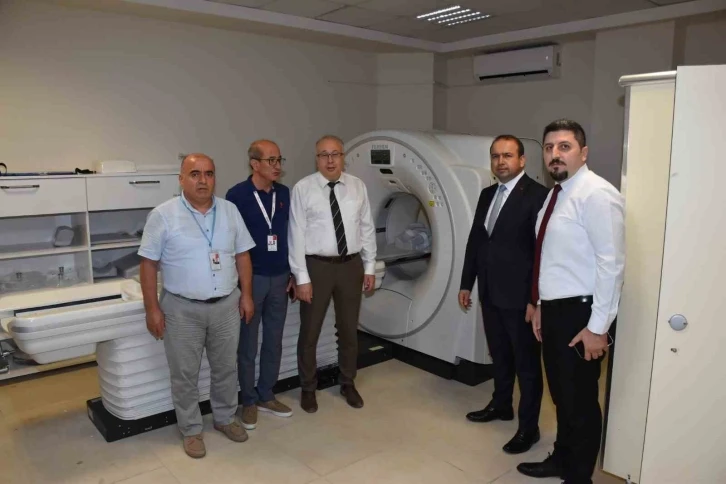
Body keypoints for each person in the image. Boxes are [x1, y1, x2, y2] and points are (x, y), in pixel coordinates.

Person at [517, 120, 625, 484]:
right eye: (549, 148)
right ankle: (562, 460)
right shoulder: (556, 195)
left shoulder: (597, 195)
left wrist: (598, 328)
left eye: (564, 146)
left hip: (583, 313)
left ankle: (579, 477)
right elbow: (552, 259)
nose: (555, 154)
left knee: (579, 401)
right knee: (562, 396)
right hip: (556, 311)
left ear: (583, 152)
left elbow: (611, 264)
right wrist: (540, 304)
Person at [138, 153, 256, 459]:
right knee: (185, 374)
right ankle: (191, 429)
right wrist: (152, 309)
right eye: (195, 174)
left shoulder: (229, 211)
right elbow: (148, 265)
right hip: (181, 309)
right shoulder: (163, 215)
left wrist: (246, 295)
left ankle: (225, 418)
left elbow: (242, 255)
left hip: (226, 306)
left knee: (225, 368)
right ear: (181, 179)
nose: (203, 180)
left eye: (209, 174)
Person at [459, 135, 548, 454]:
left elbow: (543, 253)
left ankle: (529, 428)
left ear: (522, 160)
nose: (501, 162)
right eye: (496, 156)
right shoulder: (487, 194)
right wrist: (466, 282)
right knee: (499, 354)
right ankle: (501, 405)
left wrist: (535, 300)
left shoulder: (538, 196)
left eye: (507, 156)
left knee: (527, 365)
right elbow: (477, 241)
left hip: (521, 298)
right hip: (490, 291)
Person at [288, 134, 377, 413]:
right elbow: (296, 234)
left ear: (343, 157)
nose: (330, 160)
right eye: (323, 155)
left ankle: (347, 383)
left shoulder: (357, 186)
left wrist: (369, 266)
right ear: (316, 159)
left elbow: (366, 227)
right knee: (310, 331)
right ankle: (308, 387)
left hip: (351, 265)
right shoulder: (303, 188)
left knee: (349, 330)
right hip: (317, 267)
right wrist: (301, 278)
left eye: (335, 154)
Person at [226, 139, 295, 431]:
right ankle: (248, 400)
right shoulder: (237, 196)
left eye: (279, 160)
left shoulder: (284, 193)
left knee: (274, 341)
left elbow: (291, 234)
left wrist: (294, 272)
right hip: (251, 280)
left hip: (280, 277)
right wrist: (242, 289)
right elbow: (231, 242)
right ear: (254, 164)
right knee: (248, 345)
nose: (277, 166)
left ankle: (267, 394)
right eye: (271, 161)